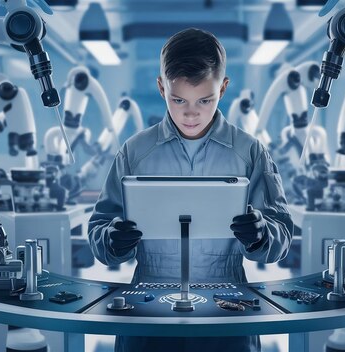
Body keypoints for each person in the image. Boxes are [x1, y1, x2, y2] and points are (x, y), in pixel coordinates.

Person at [88, 28, 294, 352]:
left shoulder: (250, 152)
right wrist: (112, 240)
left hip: (228, 308)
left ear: (223, 89)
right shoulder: (134, 152)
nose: (191, 113)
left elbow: (281, 234)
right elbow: (99, 229)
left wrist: (261, 235)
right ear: (161, 87)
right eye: (178, 99)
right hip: (147, 308)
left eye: (205, 100)